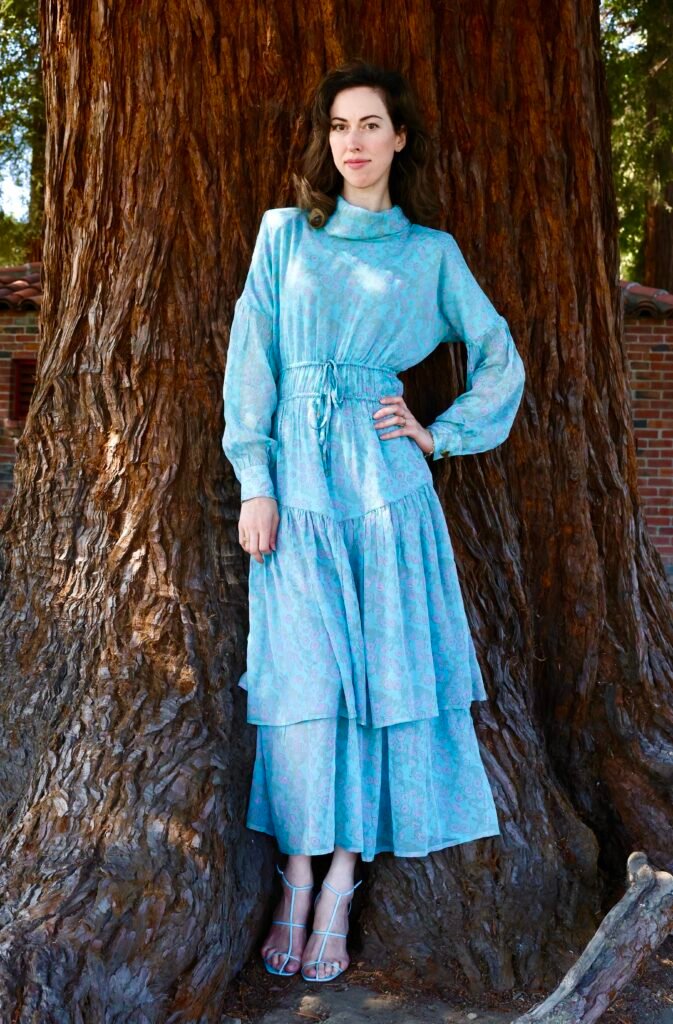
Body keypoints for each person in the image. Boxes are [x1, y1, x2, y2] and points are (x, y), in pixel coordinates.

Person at [222, 58, 526, 984]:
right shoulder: (285, 237)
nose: (351, 141)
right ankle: (296, 876)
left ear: (399, 139)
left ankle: (339, 885)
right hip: (300, 496)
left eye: (369, 125)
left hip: (389, 495)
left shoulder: (431, 253)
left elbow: (497, 356)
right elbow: (253, 363)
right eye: (338, 126)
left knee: (377, 690)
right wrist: (254, 480)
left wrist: (439, 435)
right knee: (306, 690)